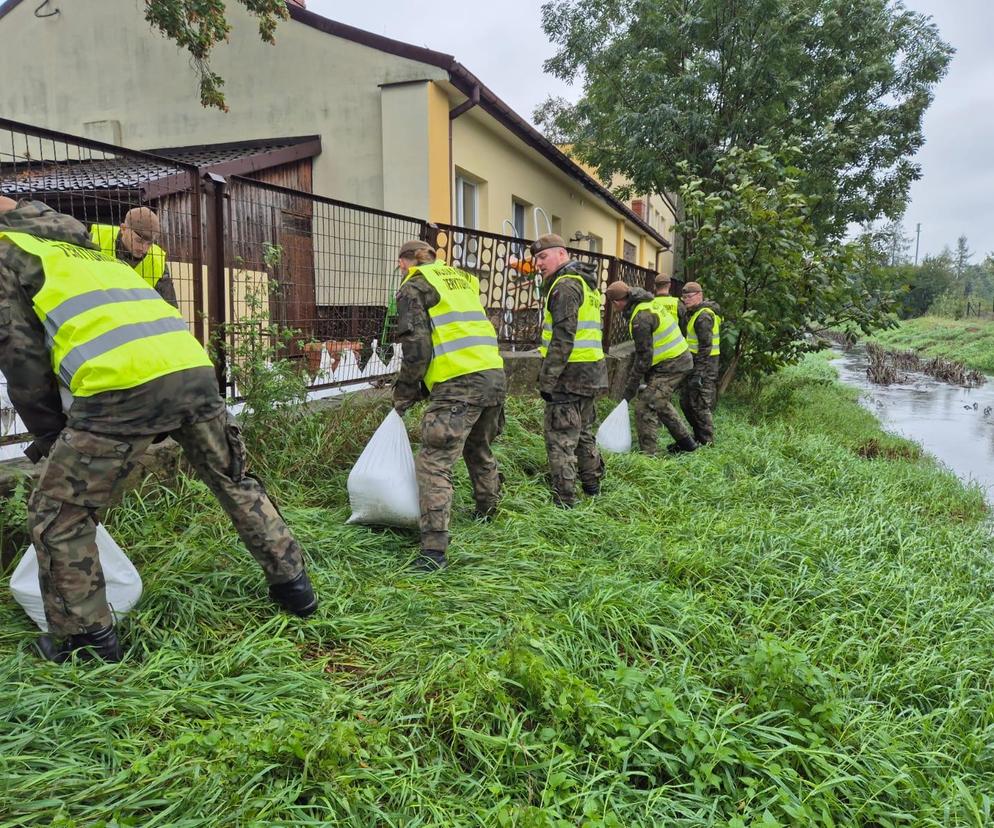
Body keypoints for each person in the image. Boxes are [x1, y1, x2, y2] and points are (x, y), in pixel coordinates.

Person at [0, 197, 316, 664]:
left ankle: (86, 640)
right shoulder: (88, 252)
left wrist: (50, 435)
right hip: (191, 371)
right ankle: (296, 589)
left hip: (121, 388)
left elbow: (21, 359)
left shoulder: (10, 253)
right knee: (234, 480)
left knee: (58, 514)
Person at [392, 240, 506, 572]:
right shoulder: (462, 280)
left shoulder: (414, 285)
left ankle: (434, 551)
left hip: (458, 383)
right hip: (493, 374)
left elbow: (416, 347)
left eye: (400, 266)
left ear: (405, 263)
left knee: (434, 462)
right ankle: (488, 510)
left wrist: (404, 393)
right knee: (478, 446)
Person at [530, 233, 606, 507]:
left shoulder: (565, 286)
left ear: (562, 254)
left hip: (569, 375)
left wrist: (547, 380)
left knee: (561, 438)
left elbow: (563, 337)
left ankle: (565, 500)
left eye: (542, 256)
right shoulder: (586, 283)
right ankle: (592, 485)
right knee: (584, 432)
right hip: (592, 371)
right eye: (535, 258)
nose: (538, 263)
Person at [606, 280, 697, 455]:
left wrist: (629, 391)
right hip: (673, 360)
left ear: (616, 302)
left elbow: (643, 359)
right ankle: (687, 444)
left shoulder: (641, 318)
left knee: (646, 405)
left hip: (674, 363)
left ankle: (649, 456)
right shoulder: (644, 303)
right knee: (659, 402)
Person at [90, 207, 179, 308]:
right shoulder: (95, 239)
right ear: (123, 229)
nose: (144, 248)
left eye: (149, 244)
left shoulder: (157, 261)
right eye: (139, 241)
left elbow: (170, 308)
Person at [679, 281, 722, 446]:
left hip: (704, 366)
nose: (686, 300)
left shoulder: (703, 316)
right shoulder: (694, 313)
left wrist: (698, 373)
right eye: (684, 298)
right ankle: (698, 436)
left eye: (689, 297)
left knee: (700, 405)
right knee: (686, 402)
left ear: (699, 295)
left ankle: (707, 442)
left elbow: (705, 347)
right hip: (694, 365)